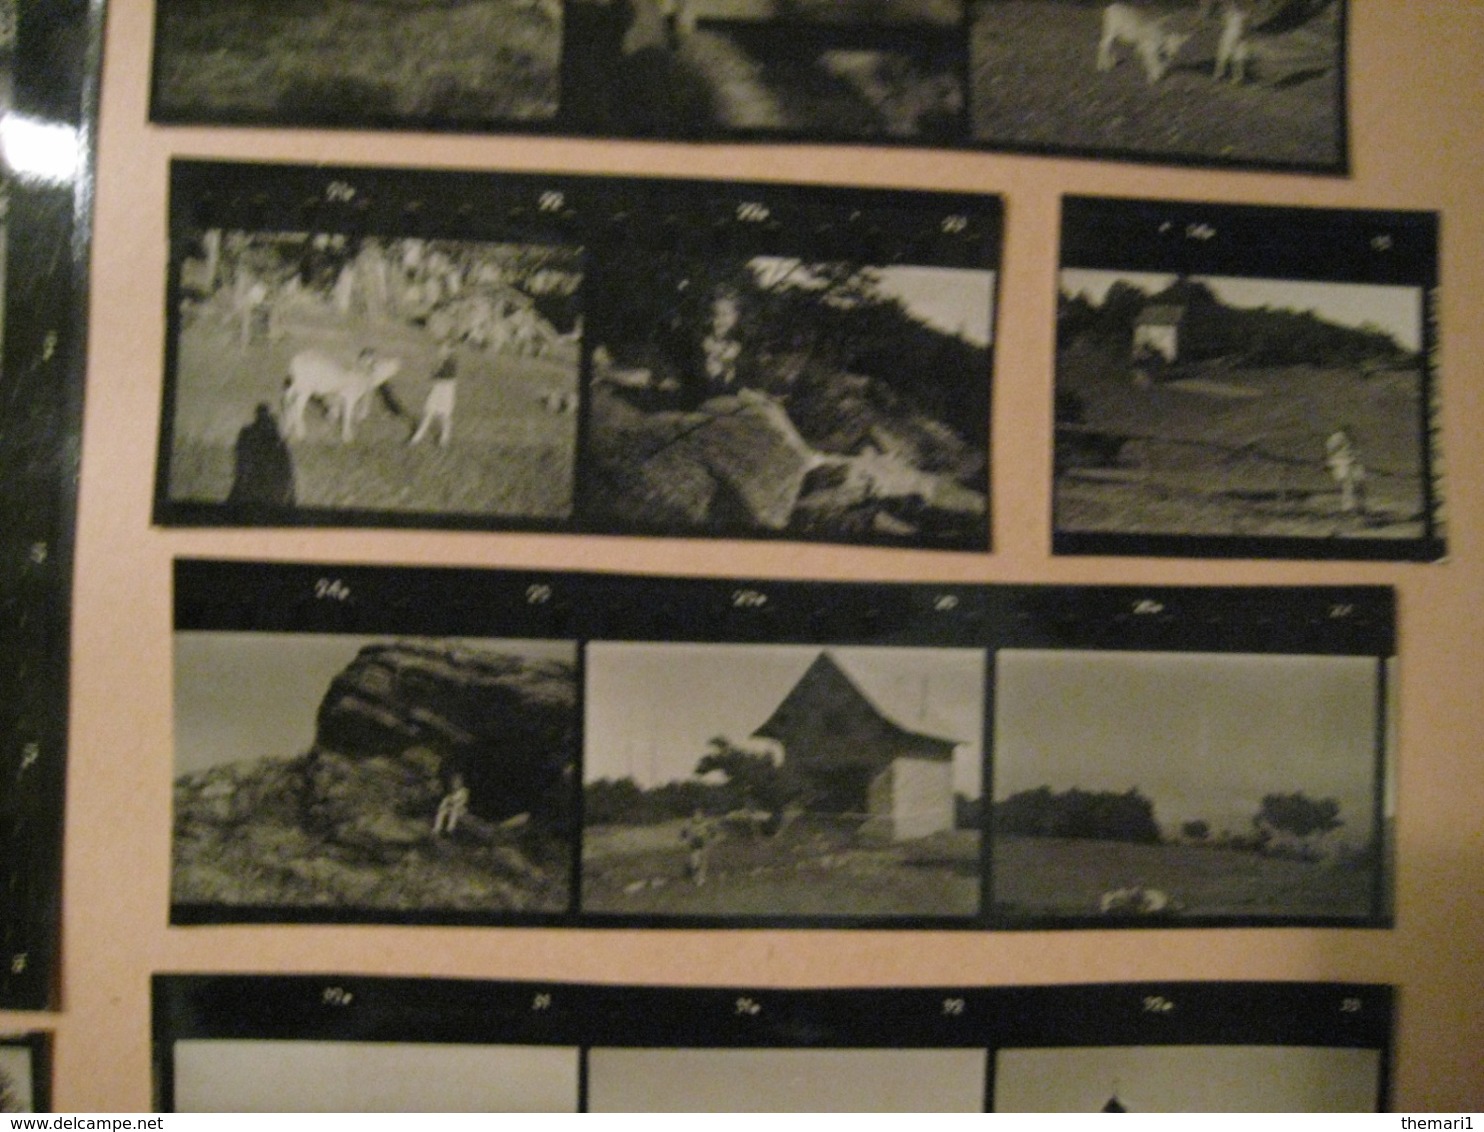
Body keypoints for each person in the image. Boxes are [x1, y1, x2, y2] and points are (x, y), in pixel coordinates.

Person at [225, 403, 295, 508]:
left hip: (264, 479)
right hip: (257, 478)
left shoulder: (272, 435)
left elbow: (285, 464)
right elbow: (242, 455)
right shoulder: (255, 433)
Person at [410, 342, 458, 446]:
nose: (441, 351)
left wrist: (434, 375)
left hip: (446, 390)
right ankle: (417, 437)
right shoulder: (442, 361)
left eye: (444, 349)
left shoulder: (451, 362)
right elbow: (436, 375)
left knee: (444, 415)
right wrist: (434, 375)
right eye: (440, 349)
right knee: (429, 412)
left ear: (450, 351)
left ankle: (444, 439)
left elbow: (444, 375)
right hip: (438, 389)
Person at [1325, 427, 1367, 515]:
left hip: (1351, 464)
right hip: (1342, 464)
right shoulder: (1337, 438)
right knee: (1349, 484)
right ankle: (1348, 508)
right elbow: (1331, 451)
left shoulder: (1347, 440)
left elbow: (1354, 452)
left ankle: (1359, 507)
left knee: (1359, 483)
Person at [680, 809, 716, 886]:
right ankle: (695, 876)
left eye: (699, 815)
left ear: (702, 815)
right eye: (696, 815)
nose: (698, 817)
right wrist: (684, 839)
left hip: (703, 843)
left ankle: (701, 878)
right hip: (694, 844)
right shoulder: (689, 823)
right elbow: (683, 833)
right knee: (695, 861)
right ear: (693, 816)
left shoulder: (706, 822)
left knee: (704, 859)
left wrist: (711, 838)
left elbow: (713, 831)